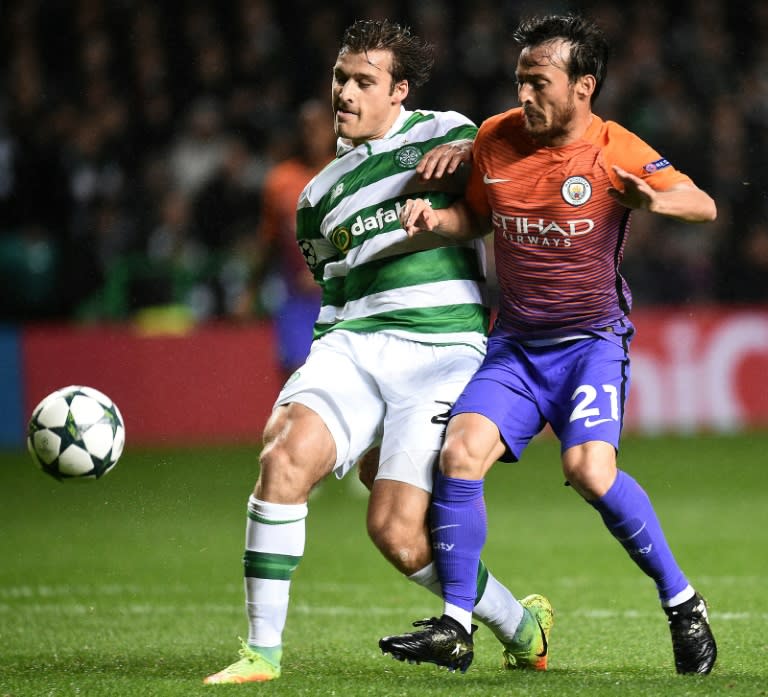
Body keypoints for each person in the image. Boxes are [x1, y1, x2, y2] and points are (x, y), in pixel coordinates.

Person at [203, 19, 552, 685]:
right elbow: (336, 291)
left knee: (394, 531)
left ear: (399, 92)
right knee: (282, 457)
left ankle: (520, 624)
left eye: (364, 81)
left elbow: (519, 159)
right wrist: (333, 389)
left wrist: (475, 156)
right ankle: (261, 653)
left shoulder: (444, 132)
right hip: (353, 345)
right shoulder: (313, 197)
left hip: (442, 351)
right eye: (341, 78)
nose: (346, 92)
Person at [379, 13, 717, 675]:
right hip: (516, 346)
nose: (525, 96)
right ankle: (455, 625)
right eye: (519, 81)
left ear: (583, 87)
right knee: (459, 453)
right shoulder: (496, 137)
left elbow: (701, 202)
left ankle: (682, 602)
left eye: (539, 83)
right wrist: (434, 218)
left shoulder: (615, 148)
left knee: (590, 471)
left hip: (591, 344)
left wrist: (654, 203)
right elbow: (477, 214)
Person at [235, 100, 336, 380]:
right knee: (295, 380)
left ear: (332, 129)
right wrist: (249, 291)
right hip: (296, 299)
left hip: (342, 295)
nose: (311, 134)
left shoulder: (348, 172)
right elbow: (269, 243)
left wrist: (324, 271)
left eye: (318, 127)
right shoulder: (279, 181)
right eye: (305, 127)